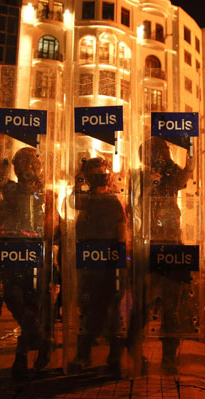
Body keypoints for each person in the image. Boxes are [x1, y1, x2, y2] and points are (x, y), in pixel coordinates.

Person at [0, 147, 58, 379]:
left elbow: (53, 229)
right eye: (19, 163)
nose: (24, 168)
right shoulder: (7, 189)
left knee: (34, 305)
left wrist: (48, 209)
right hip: (11, 251)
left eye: (29, 163)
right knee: (13, 297)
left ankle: (21, 356)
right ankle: (42, 340)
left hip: (36, 253)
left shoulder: (46, 194)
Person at [139, 137, 195, 374]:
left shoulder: (172, 176)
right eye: (154, 154)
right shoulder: (142, 177)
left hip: (171, 242)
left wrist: (191, 151)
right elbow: (137, 203)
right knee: (143, 304)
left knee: (171, 307)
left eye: (161, 153)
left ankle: (169, 357)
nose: (159, 158)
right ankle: (137, 353)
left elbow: (185, 175)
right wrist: (150, 184)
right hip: (150, 244)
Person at [69, 156, 127, 377]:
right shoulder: (86, 200)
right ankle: (87, 354)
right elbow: (74, 202)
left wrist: (120, 260)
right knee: (88, 307)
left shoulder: (111, 201)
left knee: (111, 308)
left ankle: (112, 355)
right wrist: (78, 180)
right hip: (90, 259)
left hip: (108, 260)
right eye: (94, 175)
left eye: (99, 175)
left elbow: (121, 229)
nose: (97, 179)